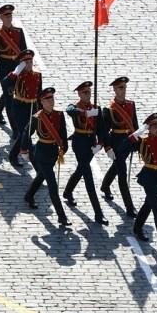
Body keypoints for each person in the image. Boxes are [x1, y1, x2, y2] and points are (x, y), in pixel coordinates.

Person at [121, 113, 157, 263]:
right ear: (149, 129)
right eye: (154, 126)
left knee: (149, 203)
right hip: (149, 177)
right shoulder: (143, 141)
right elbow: (125, 145)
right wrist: (139, 131)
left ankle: (137, 226)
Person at [62, 81, 109, 225]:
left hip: (91, 144)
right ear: (79, 94)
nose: (87, 95)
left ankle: (67, 191)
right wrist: (85, 113)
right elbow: (69, 110)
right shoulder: (76, 107)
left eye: (89, 92)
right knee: (88, 176)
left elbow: (102, 129)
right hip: (79, 143)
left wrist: (101, 144)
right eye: (84, 92)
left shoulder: (96, 108)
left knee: (80, 170)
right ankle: (98, 213)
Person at [23, 87, 70, 226]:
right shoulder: (37, 117)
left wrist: (64, 148)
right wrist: (24, 150)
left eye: (52, 98)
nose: (51, 101)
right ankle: (62, 216)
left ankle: (29, 195)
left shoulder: (59, 115)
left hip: (53, 152)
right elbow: (26, 133)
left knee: (42, 176)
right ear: (41, 102)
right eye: (47, 99)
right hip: (42, 153)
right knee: (52, 185)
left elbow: (63, 133)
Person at [100, 76, 139, 217]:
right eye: (120, 88)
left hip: (128, 141)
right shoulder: (109, 109)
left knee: (117, 167)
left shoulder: (131, 104)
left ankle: (105, 186)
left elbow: (135, 124)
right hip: (116, 143)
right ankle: (129, 206)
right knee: (122, 173)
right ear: (115, 90)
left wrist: (136, 141)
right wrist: (108, 147)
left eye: (124, 87)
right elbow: (104, 131)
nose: (123, 90)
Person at [2, 50, 42, 168]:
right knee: (26, 136)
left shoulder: (37, 74)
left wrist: (41, 110)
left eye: (30, 62)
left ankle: (13, 155)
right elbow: (5, 83)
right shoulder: (17, 75)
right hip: (19, 107)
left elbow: (39, 93)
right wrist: (15, 72)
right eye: (26, 62)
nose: (29, 64)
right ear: (22, 64)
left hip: (32, 107)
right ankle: (38, 168)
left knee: (24, 134)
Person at [0, 4, 27, 126]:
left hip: (17, 66)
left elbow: (24, 51)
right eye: (6, 16)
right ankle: (15, 129)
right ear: (1, 17)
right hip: (4, 67)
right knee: (9, 97)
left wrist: (25, 66)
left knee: (10, 91)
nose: (9, 18)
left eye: (10, 15)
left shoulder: (18, 31)